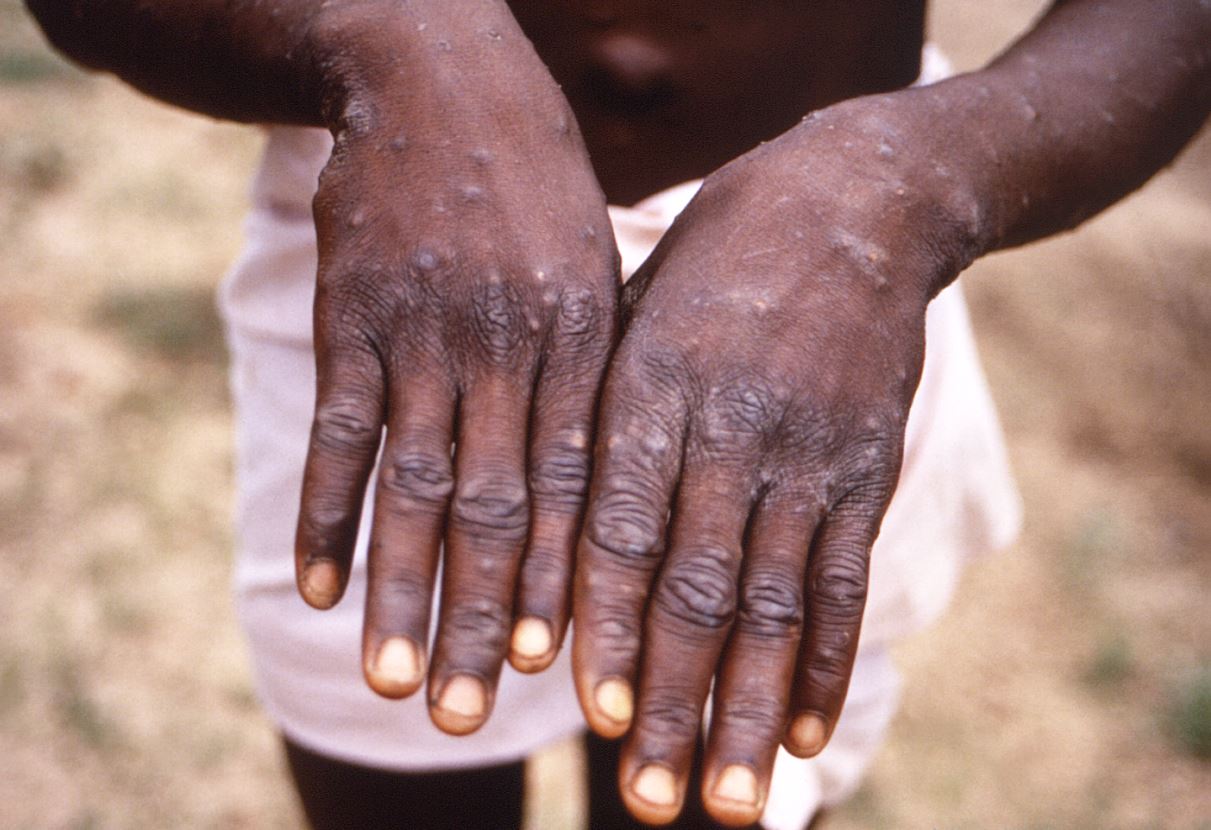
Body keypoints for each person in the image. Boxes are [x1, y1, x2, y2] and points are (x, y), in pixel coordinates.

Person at [24, 1, 1210, 827]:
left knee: (716, 782)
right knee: (386, 761)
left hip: (815, 287)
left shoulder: (870, 219)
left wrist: (908, 184)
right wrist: (379, 34)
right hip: (412, 219)